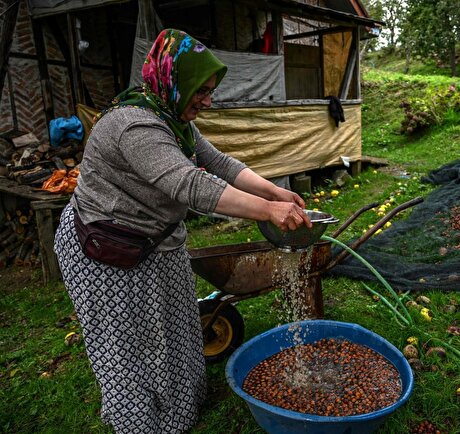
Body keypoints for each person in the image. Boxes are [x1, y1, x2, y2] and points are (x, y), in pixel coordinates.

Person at [54, 29, 311, 433]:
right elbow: (189, 184)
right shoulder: (133, 125)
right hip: (107, 248)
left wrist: (276, 191)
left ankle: (181, 407)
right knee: (128, 347)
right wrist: (268, 211)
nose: (208, 100)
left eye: (211, 90)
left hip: (158, 239)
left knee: (178, 326)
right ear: (174, 80)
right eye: (202, 90)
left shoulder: (171, 117)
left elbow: (219, 164)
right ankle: (140, 422)